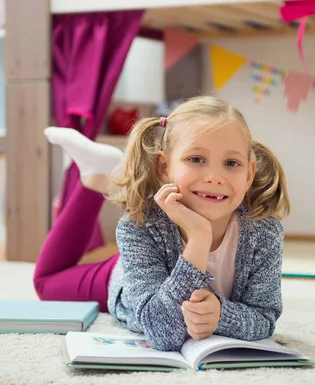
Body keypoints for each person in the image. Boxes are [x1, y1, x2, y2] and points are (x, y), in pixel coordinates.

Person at [34, 95, 290, 351]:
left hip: (151, 261)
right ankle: (92, 180)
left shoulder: (264, 231)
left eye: (231, 163)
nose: (215, 177)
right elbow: (161, 332)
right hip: (125, 272)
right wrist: (199, 236)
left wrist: (221, 315)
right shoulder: (138, 226)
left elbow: (264, 317)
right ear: (164, 166)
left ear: (249, 173)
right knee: (45, 283)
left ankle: (105, 174)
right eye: (196, 159)